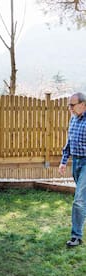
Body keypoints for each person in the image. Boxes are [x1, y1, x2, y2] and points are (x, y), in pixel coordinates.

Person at [59, 92, 86, 247]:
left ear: (83, 104)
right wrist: (64, 162)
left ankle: (76, 236)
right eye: (69, 105)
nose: (69, 108)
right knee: (83, 198)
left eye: (72, 105)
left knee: (79, 200)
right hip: (76, 162)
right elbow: (69, 142)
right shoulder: (73, 119)